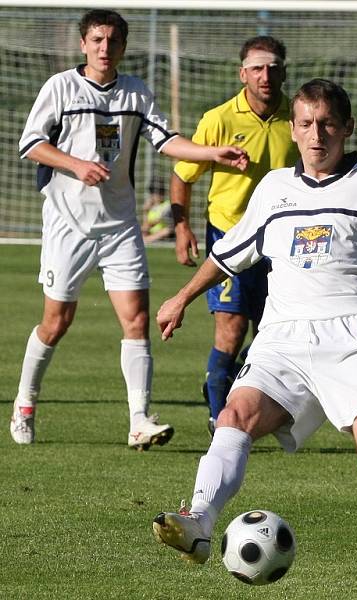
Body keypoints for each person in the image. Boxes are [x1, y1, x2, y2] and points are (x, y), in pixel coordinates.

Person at [151, 79, 357, 600]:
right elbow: (231, 251)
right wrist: (182, 296)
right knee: (234, 417)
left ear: (347, 127)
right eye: (305, 123)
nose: (316, 134)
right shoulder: (275, 188)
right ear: (294, 129)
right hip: (282, 339)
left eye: (326, 123)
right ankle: (199, 523)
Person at [10, 9, 248, 449]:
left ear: (123, 46)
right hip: (68, 223)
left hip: (120, 224)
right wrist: (76, 164)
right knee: (56, 322)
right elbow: (31, 144)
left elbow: (167, 140)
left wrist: (211, 154)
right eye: (97, 40)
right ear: (83, 44)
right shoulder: (60, 87)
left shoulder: (136, 92)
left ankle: (139, 418)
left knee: (137, 320)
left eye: (113, 41)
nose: (105, 48)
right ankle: (25, 402)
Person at [170, 36, 299, 435]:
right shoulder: (220, 119)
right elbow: (182, 174)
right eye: (257, 68)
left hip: (282, 240)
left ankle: (226, 381)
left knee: (275, 334)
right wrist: (181, 226)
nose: (266, 75)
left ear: (283, 71)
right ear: (243, 73)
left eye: (274, 67)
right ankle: (217, 416)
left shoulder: (298, 120)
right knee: (230, 326)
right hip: (229, 235)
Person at [141, 177, 174, 243]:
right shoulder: (150, 207)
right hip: (150, 232)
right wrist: (145, 211)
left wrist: (147, 226)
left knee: (166, 231)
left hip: (163, 234)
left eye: (160, 192)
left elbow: (158, 220)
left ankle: (146, 240)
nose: (156, 195)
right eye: (153, 193)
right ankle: (146, 239)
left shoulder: (166, 205)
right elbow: (145, 226)